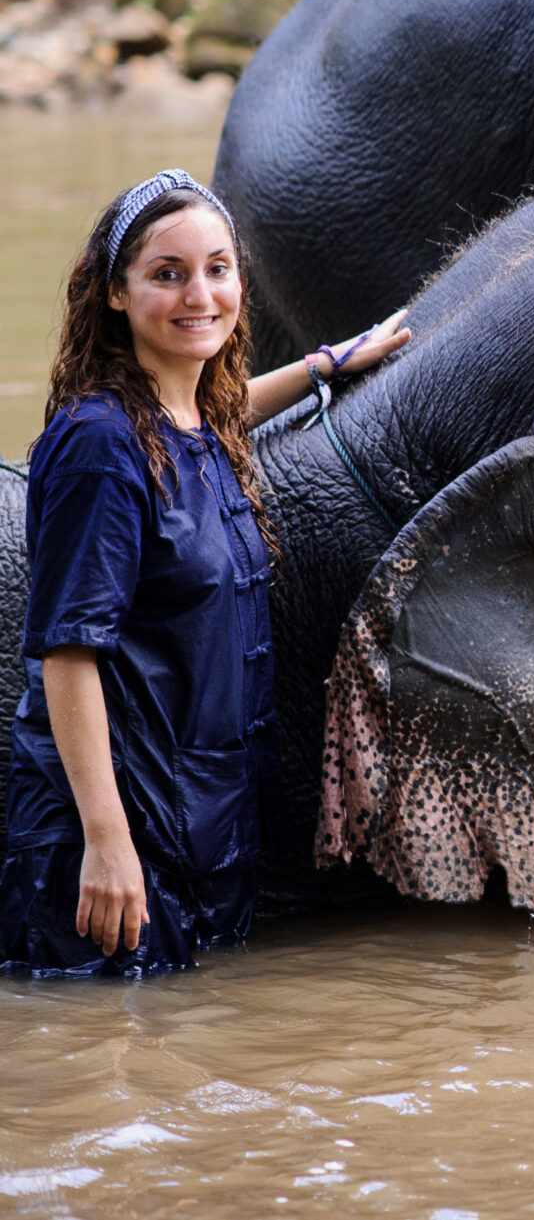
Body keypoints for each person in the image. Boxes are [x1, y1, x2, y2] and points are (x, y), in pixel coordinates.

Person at [2, 170, 408, 977]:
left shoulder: (187, 420)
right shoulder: (98, 446)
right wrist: (107, 844)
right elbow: (69, 652)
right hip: (116, 845)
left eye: (218, 269)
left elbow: (217, 420)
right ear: (115, 293)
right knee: (94, 1071)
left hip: (198, 828)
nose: (200, 294)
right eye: (168, 273)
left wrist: (323, 366)